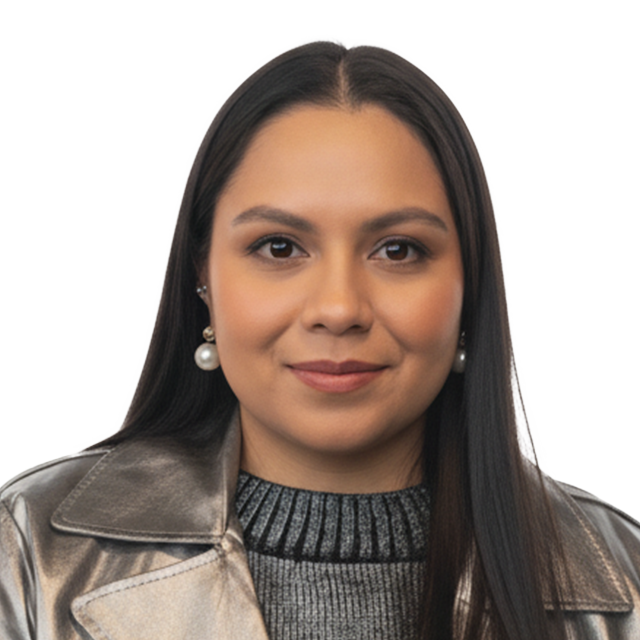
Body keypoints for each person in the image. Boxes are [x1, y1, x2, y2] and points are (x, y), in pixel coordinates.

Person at [1, 39, 639, 640]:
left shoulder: (627, 587)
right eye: (279, 247)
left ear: (469, 284)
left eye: (398, 250)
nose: (338, 309)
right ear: (204, 277)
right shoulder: (29, 558)